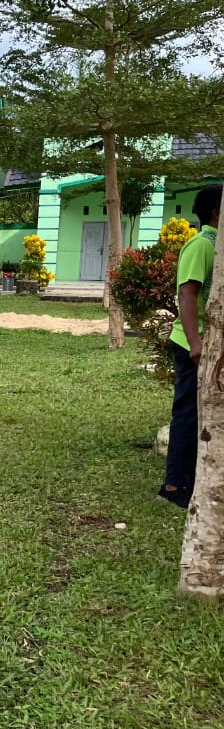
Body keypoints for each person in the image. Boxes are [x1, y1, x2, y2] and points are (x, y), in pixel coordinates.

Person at [161, 184, 222, 508]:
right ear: (216, 212)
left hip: (212, 343)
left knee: (206, 413)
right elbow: (187, 293)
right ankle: (175, 486)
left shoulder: (219, 245)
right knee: (187, 412)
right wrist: (196, 342)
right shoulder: (201, 245)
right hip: (192, 344)